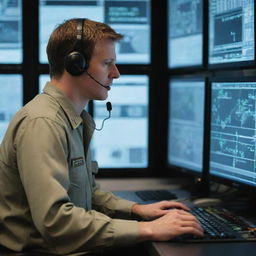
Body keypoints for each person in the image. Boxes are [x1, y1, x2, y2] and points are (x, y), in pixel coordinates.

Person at [0, 18, 203, 255]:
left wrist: (137, 210)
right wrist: (149, 230)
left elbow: (86, 195)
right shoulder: (44, 124)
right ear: (76, 64)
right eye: (108, 63)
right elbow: (55, 221)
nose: (116, 74)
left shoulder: (73, 119)